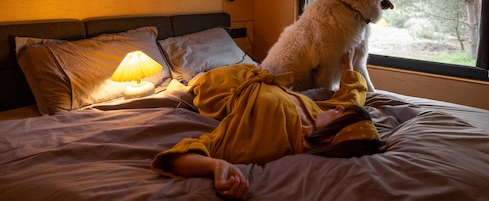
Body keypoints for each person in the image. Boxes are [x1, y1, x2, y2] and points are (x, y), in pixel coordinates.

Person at [151, 49, 383, 200]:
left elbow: (189, 151)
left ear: (328, 138)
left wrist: (216, 167)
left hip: (220, 85)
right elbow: (352, 97)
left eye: (341, 115)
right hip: (254, 71)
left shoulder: (270, 139)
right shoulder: (318, 114)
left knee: (194, 77)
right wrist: (348, 63)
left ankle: (185, 82)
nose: (338, 108)